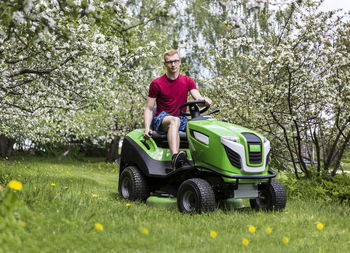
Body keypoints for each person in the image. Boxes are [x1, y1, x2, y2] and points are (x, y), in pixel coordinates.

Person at [144, 49, 212, 170]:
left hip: (181, 119)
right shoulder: (156, 83)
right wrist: (147, 128)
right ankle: (175, 158)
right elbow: (149, 109)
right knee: (174, 121)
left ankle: (205, 163)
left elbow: (198, 97)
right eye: (169, 62)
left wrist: (204, 101)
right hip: (162, 118)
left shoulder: (188, 81)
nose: (173, 64)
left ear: (180, 62)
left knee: (206, 123)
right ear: (165, 64)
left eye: (175, 61)